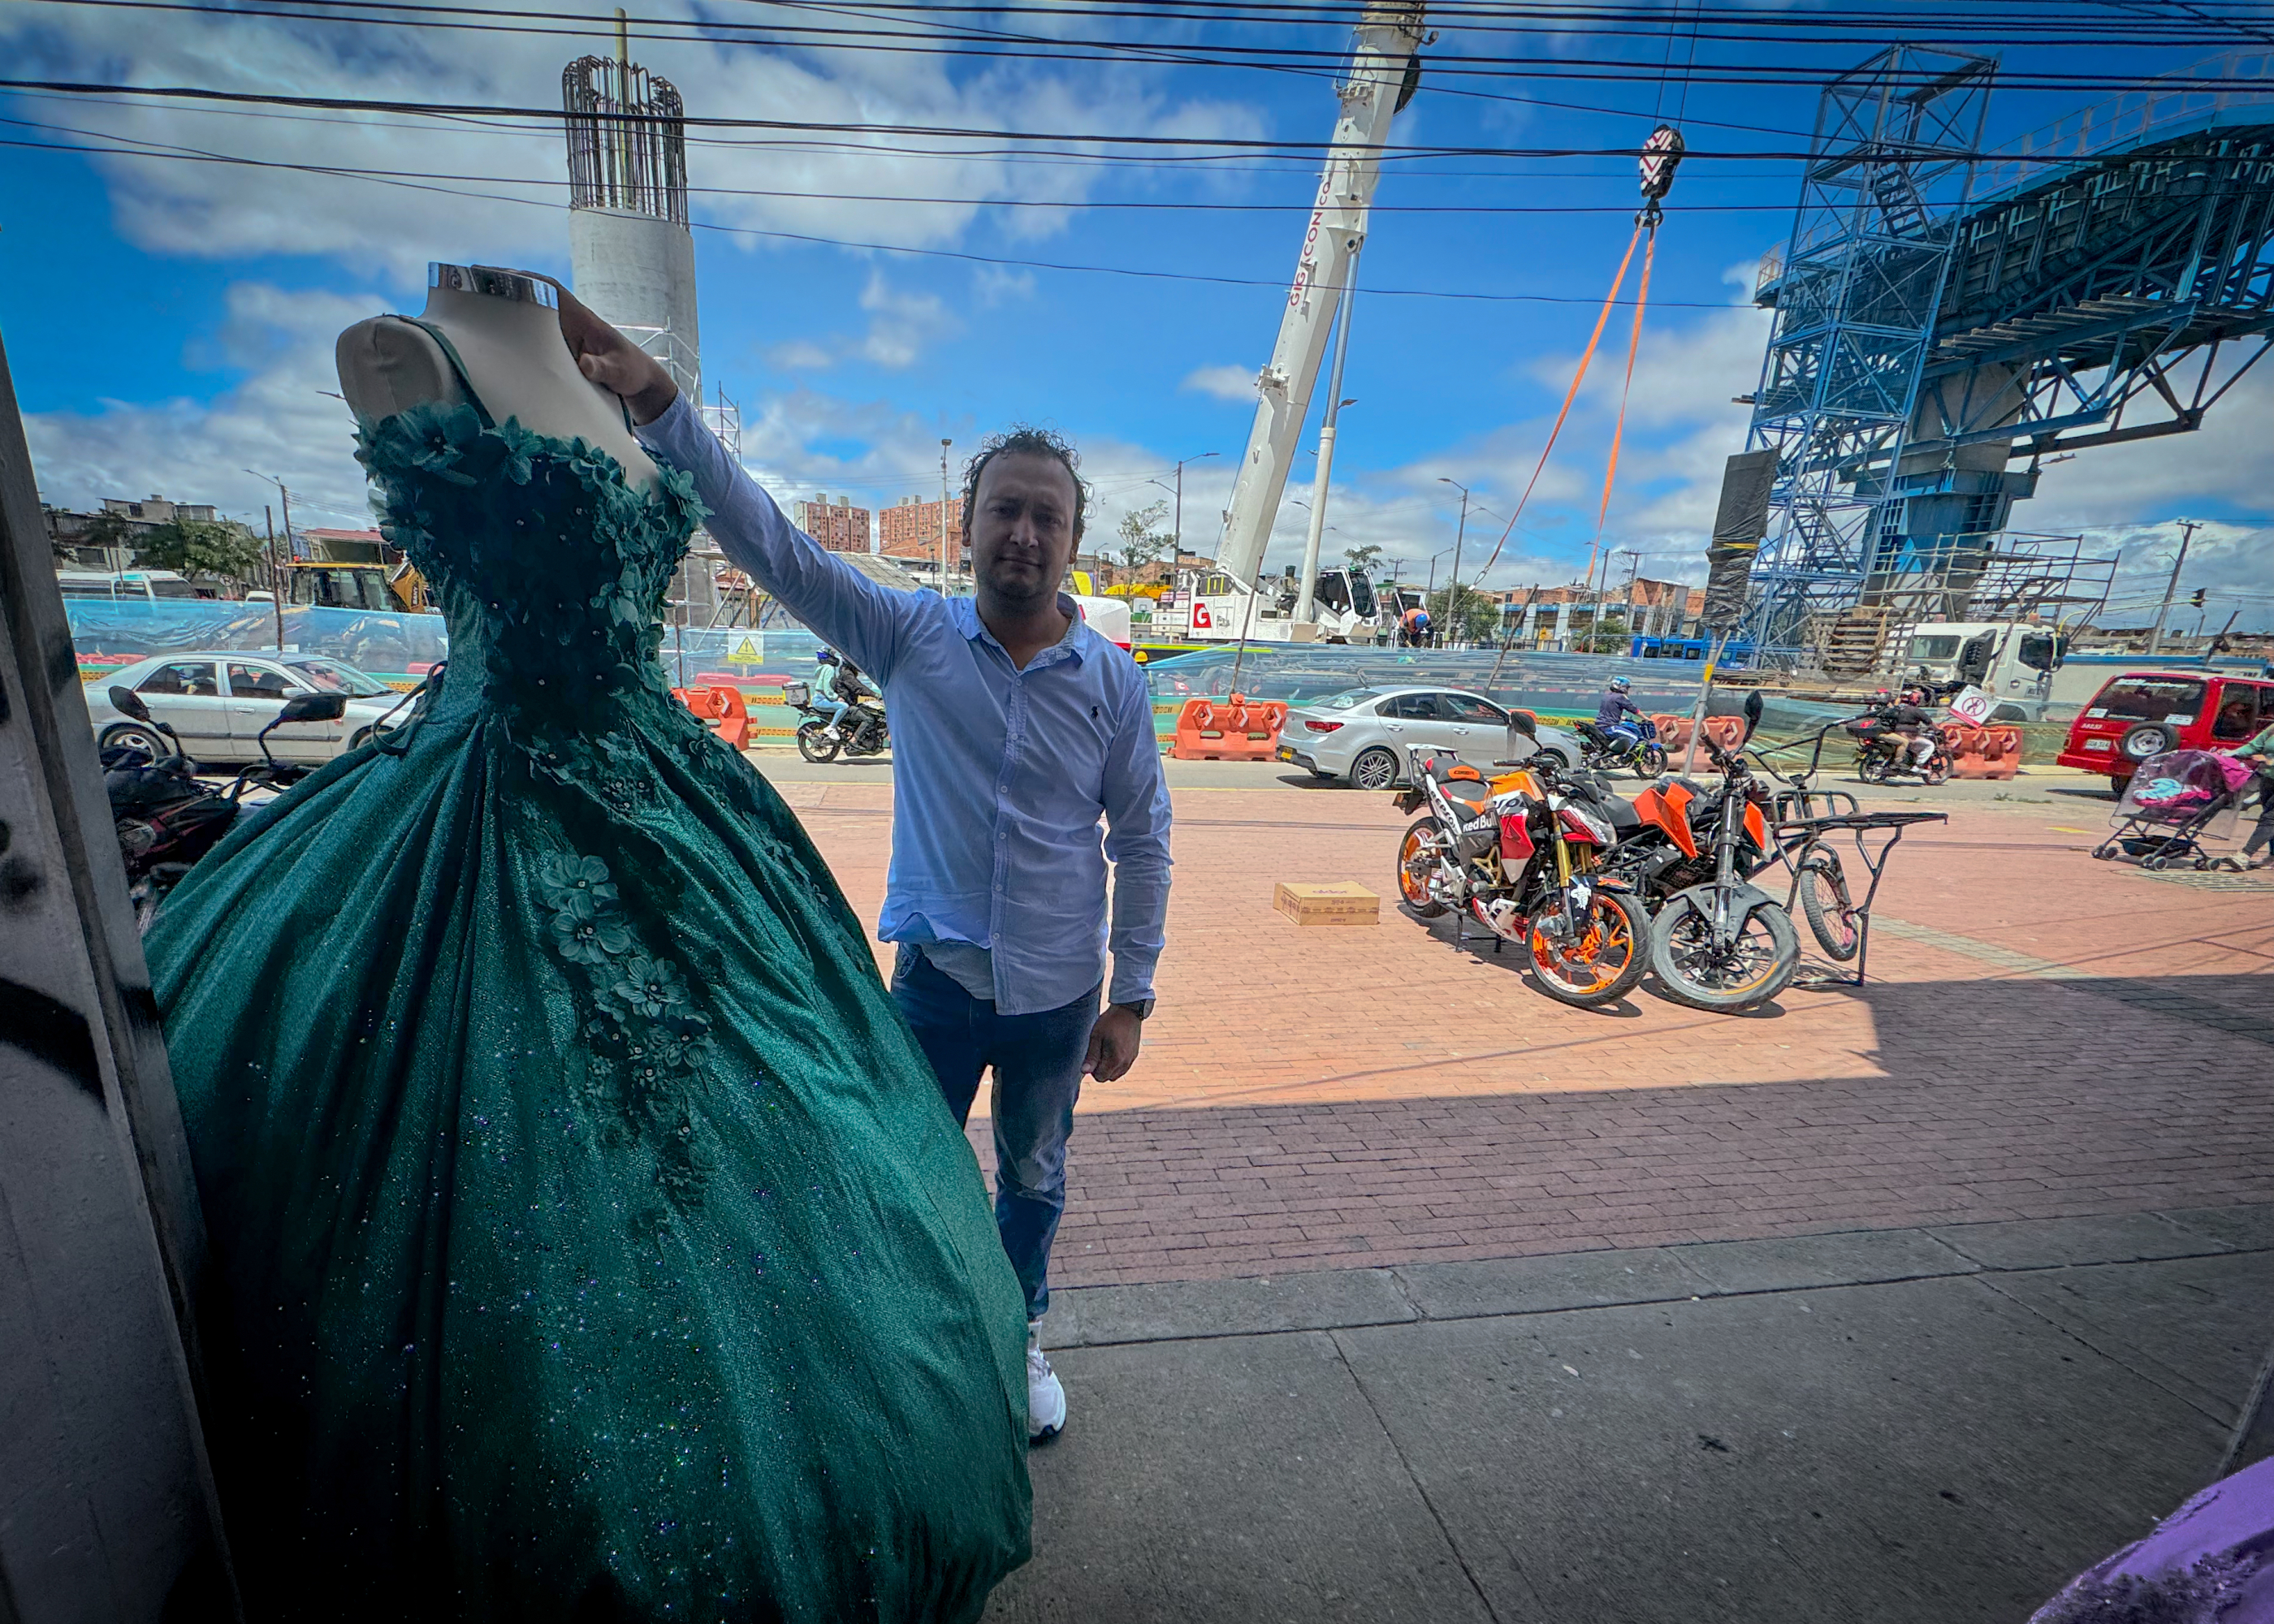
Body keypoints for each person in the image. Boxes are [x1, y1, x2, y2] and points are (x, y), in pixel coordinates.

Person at [147, 266, 1031, 1621]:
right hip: (484, 815)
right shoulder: (405, 352)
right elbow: (749, 549)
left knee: (812, 1162)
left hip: (678, 806)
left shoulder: (597, 379)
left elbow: (735, 525)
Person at [564, 295, 1174, 1445]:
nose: (1025, 536)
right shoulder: (908, 637)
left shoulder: (1113, 684)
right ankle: (917, 1340)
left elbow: (1142, 841)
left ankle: (1017, 1331)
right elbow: (778, 548)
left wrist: (1133, 992)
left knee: (1035, 1178)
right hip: (937, 984)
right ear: (968, 524)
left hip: (1057, 999)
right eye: (1006, 512)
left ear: (1074, 541)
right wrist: (659, 406)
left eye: (1048, 517)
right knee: (908, 1171)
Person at [2234, 714, 2274, 867]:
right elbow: (2254, 746)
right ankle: (2273, 856)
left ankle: (2245, 854)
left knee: (2270, 819)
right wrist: (2230, 753)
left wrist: (2269, 760)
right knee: (2268, 817)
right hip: (2268, 779)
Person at [1595, 675, 1643, 745]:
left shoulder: (1607, 696)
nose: (1627, 690)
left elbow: (1608, 712)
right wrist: (1647, 718)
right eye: (1626, 687)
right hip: (1610, 727)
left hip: (1600, 725)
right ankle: (1622, 756)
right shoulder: (1620, 697)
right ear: (1622, 687)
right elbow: (1634, 710)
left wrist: (1621, 717)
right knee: (1634, 738)